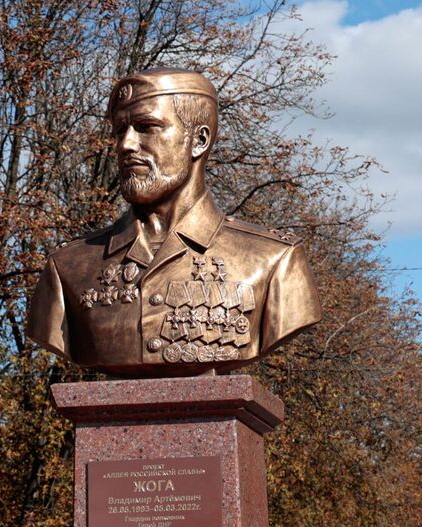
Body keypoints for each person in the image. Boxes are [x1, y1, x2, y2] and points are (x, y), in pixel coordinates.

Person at [26, 68, 319, 377]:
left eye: (146, 127)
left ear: (199, 140)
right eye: (119, 131)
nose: (126, 145)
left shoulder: (274, 261)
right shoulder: (68, 268)